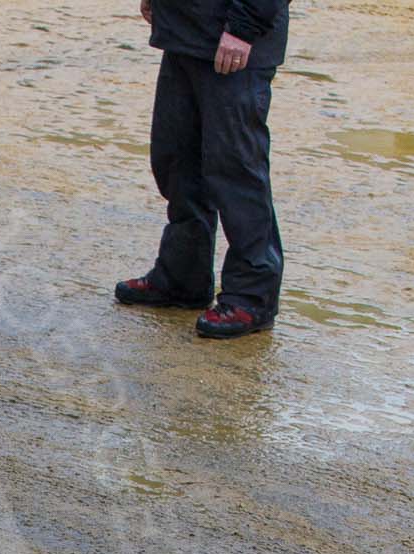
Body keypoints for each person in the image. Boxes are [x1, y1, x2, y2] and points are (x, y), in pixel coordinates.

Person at [113, 0, 289, 338]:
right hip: (186, 32)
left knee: (236, 172)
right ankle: (181, 277)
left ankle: (253, 298)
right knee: (176, 161)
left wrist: (243, 28)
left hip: (236, 41)